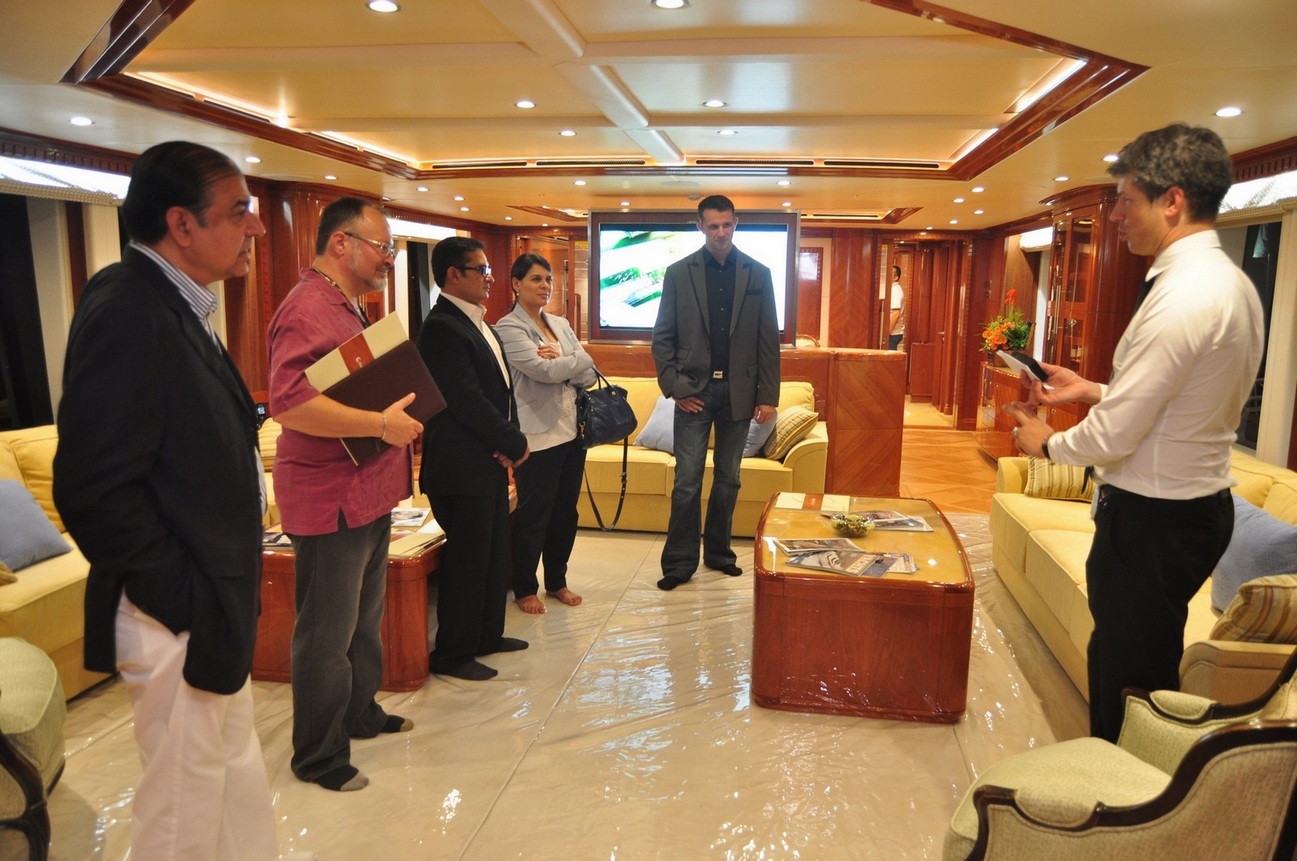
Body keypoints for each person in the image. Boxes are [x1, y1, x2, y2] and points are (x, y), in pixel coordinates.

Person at [52, 141, 310, 860]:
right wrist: (182, 598)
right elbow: (94, 487)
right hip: (174, 611)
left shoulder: (174, 301)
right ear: (182, 224)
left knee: (232, 777)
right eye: (239, 211)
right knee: (181, 810)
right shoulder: (129, 307)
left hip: (209, 599)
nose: (255, 227)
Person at [1004, 123, 1264, 742]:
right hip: (1188, 510)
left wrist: (1047, 444)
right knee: (1137, 659)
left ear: (1172, 201)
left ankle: (1124, 787)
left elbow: (1115, 436)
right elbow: (1180, 404)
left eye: (1125, 200)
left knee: (1127, 678)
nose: (1116, 215)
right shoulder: (1229, 283)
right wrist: (1091, 389)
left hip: (1154, 521)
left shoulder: (1183, 296)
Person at [267, 197, 423, 792]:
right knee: (325, 634)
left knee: (363, 620)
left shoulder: (348, 305)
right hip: (330, 495)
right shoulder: (306, 308)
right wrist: (381, 425)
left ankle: (360, 712)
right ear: (341, 243)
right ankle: (319, 755)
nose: (388, 259)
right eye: (382, 248)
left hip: (368, 492)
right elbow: (291, 404)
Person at [651, 194, 780, 590]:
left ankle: (720, 554)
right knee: (686, 481)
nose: (721, 232)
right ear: (700, 227)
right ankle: (679, 563)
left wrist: (768, 396)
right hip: (694, 392)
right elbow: (663, 336)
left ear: (736, 223)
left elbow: (767, 340)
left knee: (729, 479)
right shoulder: (678, 273)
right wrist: (674, 388)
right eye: (713, 226)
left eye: (726, 224)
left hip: (740, 393)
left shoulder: (758, 273)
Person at [417, 237, 530, 680]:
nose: (489, 277)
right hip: (459, 468)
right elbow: (465, 401)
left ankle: (486, 635)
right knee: (467, 562)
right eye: (480, 269)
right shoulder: (442, 328)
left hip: (487, 461)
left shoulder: (480, 322)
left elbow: (501, 393)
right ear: (453, 275)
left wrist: (507, 441)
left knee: (492, 555)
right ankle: (453, 653)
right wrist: (513, 442)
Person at [496, 253, 598, 614]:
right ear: (516, 284)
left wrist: (564, 358)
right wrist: (571, 359)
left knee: (565, 513)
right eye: (536, 279)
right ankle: (525, 587)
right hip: (536, 435)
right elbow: (544, 371)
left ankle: (557, 581)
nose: (545, 286)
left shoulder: (560, 322)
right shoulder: (508, 327)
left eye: (548, 279)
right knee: (533, 515)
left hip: (572, 431)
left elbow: (589, 373)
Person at [888, 264, 906, 350]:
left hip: (893, 333)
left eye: (889, 273)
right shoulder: (892, 289)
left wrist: (886, 334)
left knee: (889, 357)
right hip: (893, 332)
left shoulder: (895, 291)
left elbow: (895, 314)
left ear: (895, 277)